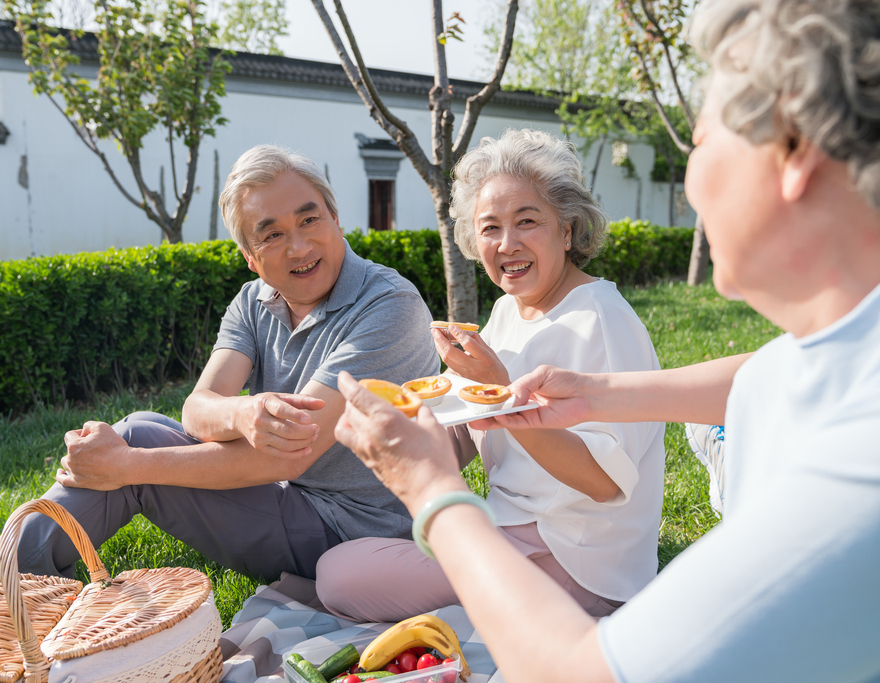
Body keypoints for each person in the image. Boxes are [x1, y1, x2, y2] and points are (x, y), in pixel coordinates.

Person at [329, 0, 880, 680]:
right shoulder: (843, 358)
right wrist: (590, 393)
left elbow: (577, 669)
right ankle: (717, 446)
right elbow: (772, 372)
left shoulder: (855, 466)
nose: (692, 184)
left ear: (793, 146)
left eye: (702, 141)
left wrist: (430, 488)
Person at [0, 145, 439, 671]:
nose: (299, 244)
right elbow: (197, 407)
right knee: (141, 430)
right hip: (293, 504)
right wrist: (241, 413)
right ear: (249, 257)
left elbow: (284, 458)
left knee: (135, 451)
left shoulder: (386, 305)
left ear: (336, 217)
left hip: (355, 534)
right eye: (271, 234)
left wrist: (128, 468)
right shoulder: (255, 300)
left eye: (310, 218)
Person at [316, 129, 666, 623]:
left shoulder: (600, 316)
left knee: (338, 575)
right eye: (490, 228)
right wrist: (407, 417)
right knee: (352, 551)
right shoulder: (507, 311)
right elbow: (469, 435)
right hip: (508, 528)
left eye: (528, 221)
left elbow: (605, 483)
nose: (508, 244)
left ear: (567, 230)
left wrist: (503, 392)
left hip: (577, 558)